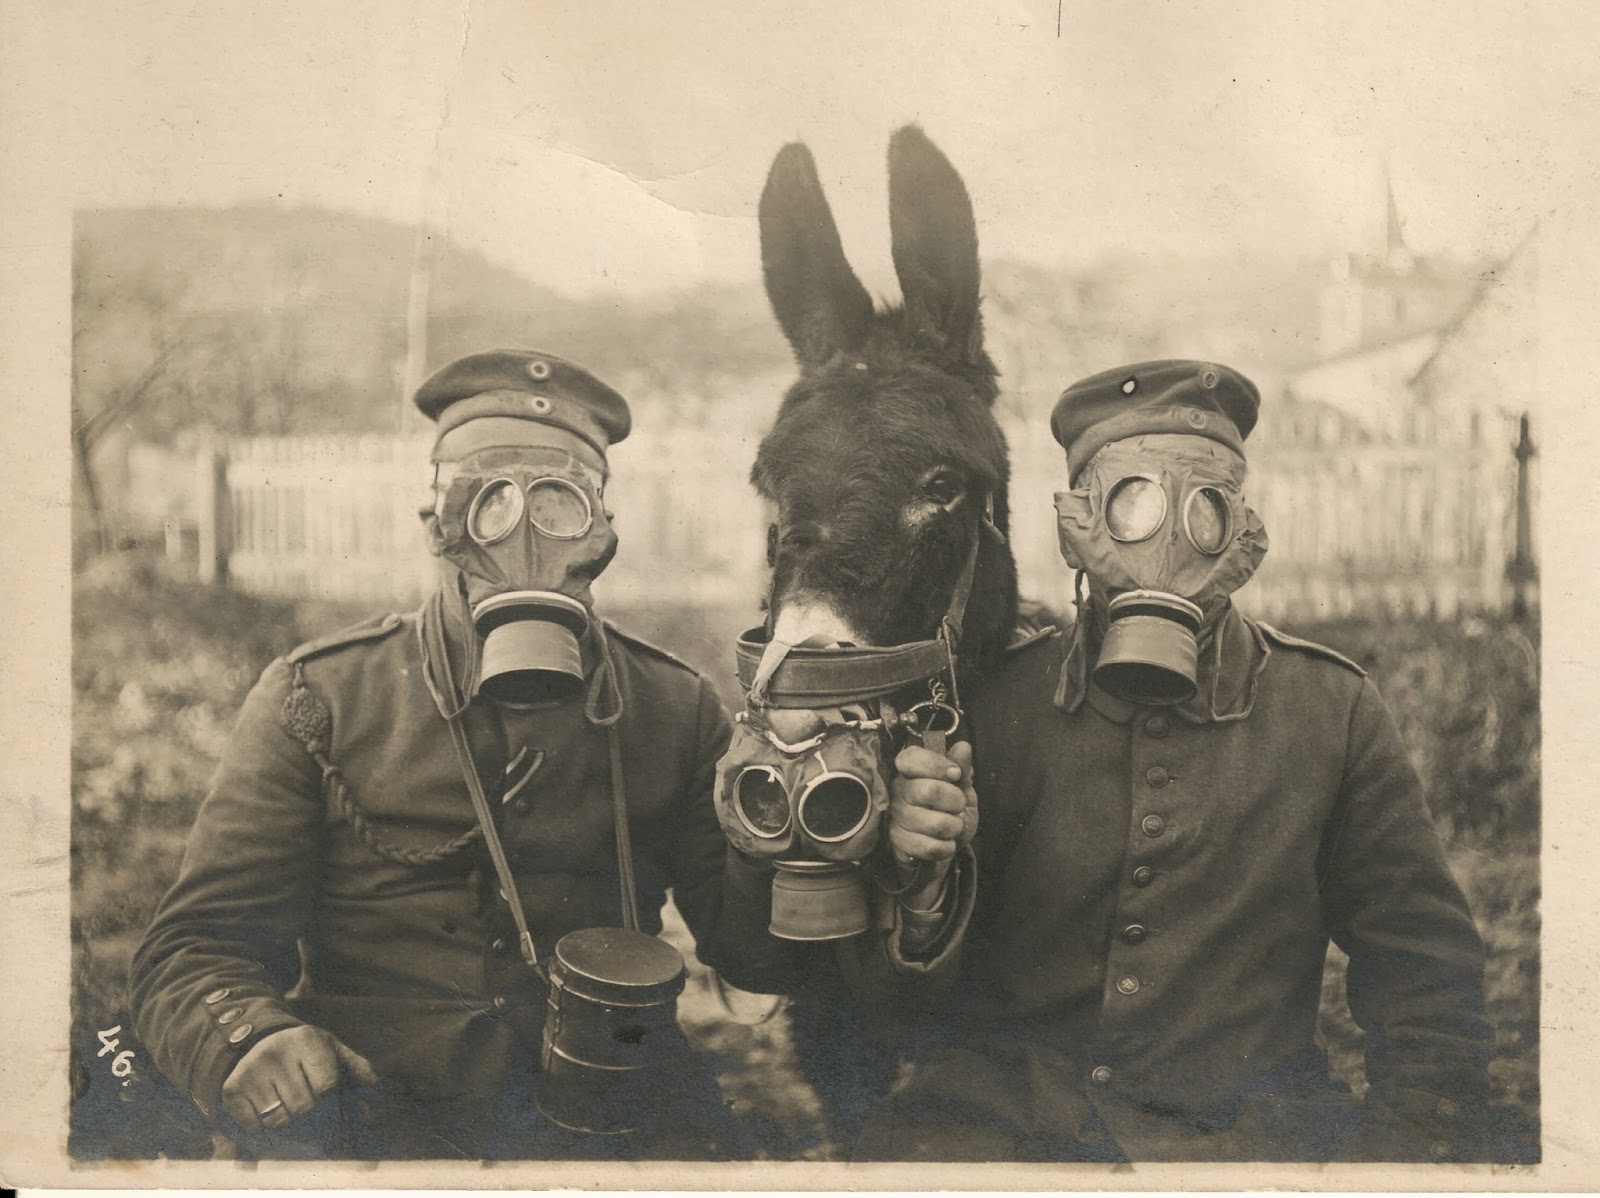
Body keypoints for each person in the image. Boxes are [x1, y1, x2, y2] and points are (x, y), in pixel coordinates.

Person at [130, 349, 783, 1160]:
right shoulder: (321, 699)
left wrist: (775, 822)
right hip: (375, 1112)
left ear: (603, 531)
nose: (523, 541)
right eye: (488, 507)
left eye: (559, 507)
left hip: (618, 1113)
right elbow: (195, 947)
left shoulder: (674, 708)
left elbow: (751, 951)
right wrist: (250, 1041)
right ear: (434, 527)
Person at [850, 359, 1494, 1163]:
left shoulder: (1329, 712)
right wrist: (926, 885)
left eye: (1205, 509)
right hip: (998, 1136)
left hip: (1244, 1147)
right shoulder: (990, 706)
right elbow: (900, 1003)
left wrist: (1394, 1158)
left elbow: (1425, 979)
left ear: (1242, 533)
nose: (1166, 543)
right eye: (1132, 505)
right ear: (1076, 526)